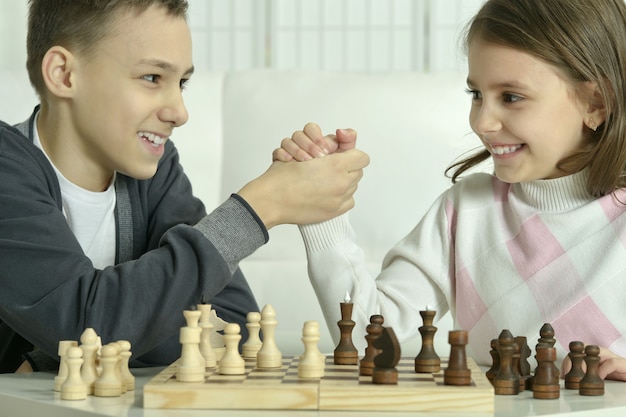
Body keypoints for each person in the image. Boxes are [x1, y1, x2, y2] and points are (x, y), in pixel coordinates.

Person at [0, 0, 369, 373]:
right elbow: (85, 323)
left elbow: (236, 324)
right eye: (151, 78)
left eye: (182, 82)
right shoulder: (6, 169)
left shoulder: (154, 171)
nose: (180, 111)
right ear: (64, 74)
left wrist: (57, 356)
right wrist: (262, 205)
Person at [274, 0, 626, 381]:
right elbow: (366, 340)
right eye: (476, 94)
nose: (483, 121)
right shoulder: (465, 212)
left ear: (597, 103)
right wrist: (322, 212)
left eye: (511, 97)